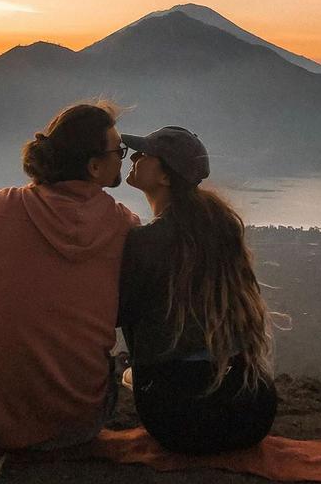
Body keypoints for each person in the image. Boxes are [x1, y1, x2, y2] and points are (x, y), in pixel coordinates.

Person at [0, 101, 139, 450]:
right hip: (83, 420)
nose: (122, 158)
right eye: (119, 151)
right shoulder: (123, 226)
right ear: (94, 166)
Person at [118, 126, 277, 455]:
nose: (133, 158)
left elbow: (119, 312)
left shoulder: (144, 241)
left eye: (144, 155)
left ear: (165, 177)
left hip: (178, 418)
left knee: (129, 374)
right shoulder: (221, 226)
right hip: (252, 411)